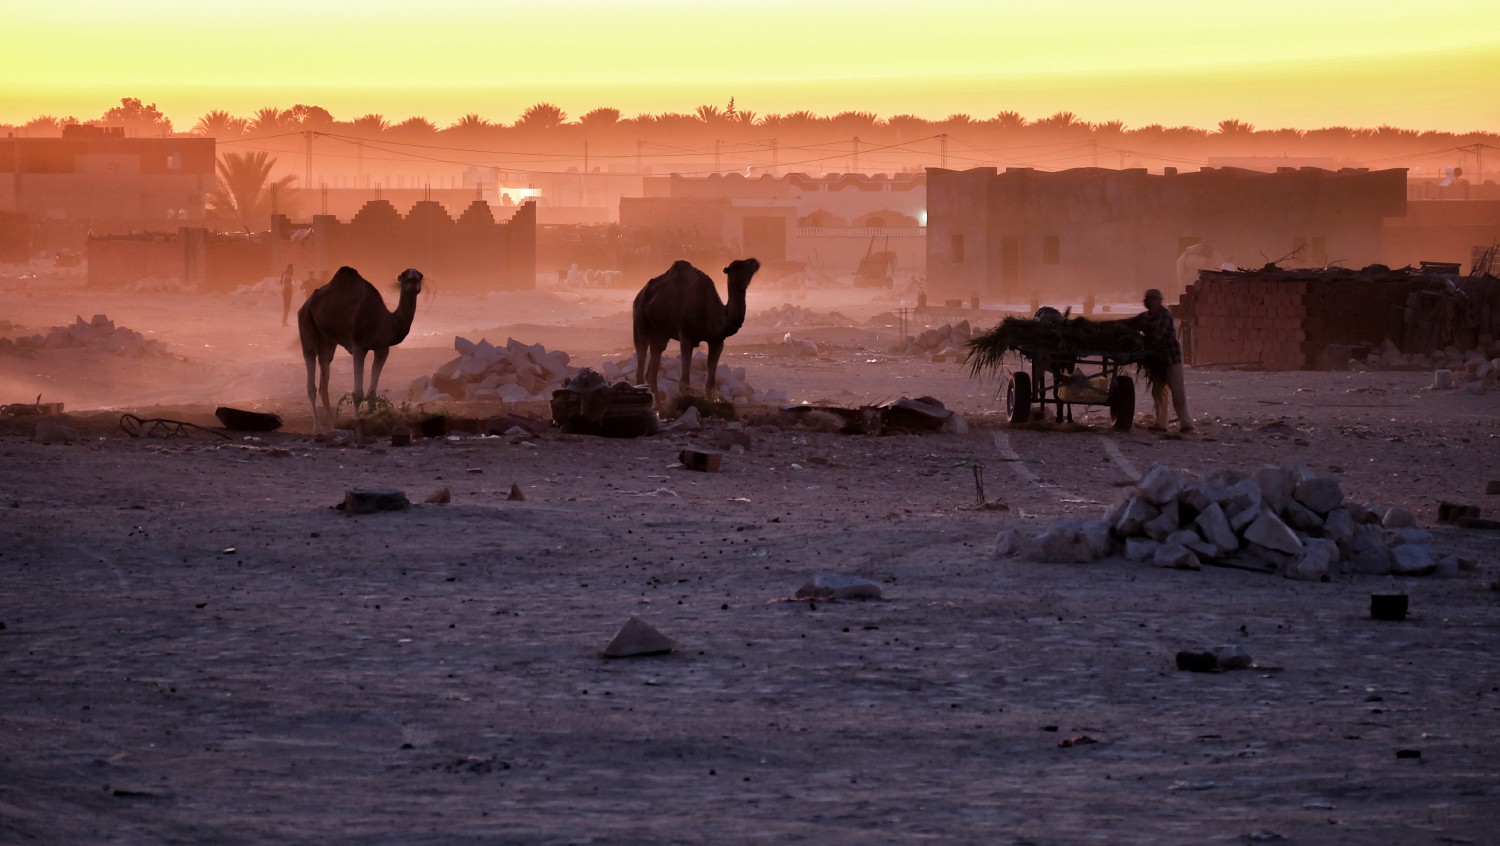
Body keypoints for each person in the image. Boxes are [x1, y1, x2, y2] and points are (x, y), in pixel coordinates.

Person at [1128, 288, 1193, 433]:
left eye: (1155, 300)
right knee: (1159, 393)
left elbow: (1156, 336)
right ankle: (1161, 424)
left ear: (1159, 302)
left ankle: (1187, 423)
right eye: (1150, 300)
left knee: (1178, 393)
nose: (1153, 303)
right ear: (1147, 302)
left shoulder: (1165, 316)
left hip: (1171, 359)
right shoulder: (1145, 317)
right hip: (1157, 361)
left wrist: (1139, 340)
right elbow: (1131, 323)